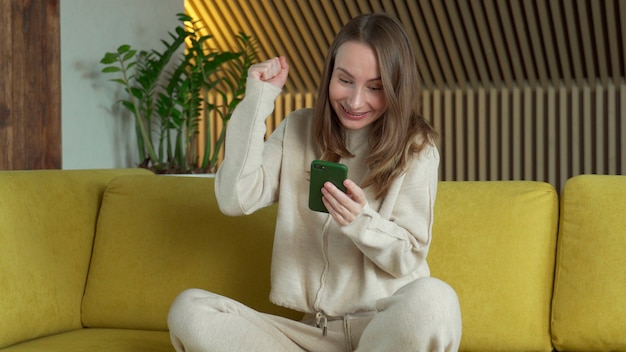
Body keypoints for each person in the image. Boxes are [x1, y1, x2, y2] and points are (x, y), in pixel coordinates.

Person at [167, 12, 462, 351]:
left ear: (396, 87)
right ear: (329, 76)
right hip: (313, 335)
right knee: (191, 309)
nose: (354, 101)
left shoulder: (417, 148)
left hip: (385, 332)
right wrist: (257, 101)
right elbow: (235, 198)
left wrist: (360, 222)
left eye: (375, 88)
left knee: (436, 300)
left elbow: (408, 256)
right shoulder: (298, 129)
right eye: (345, 80)